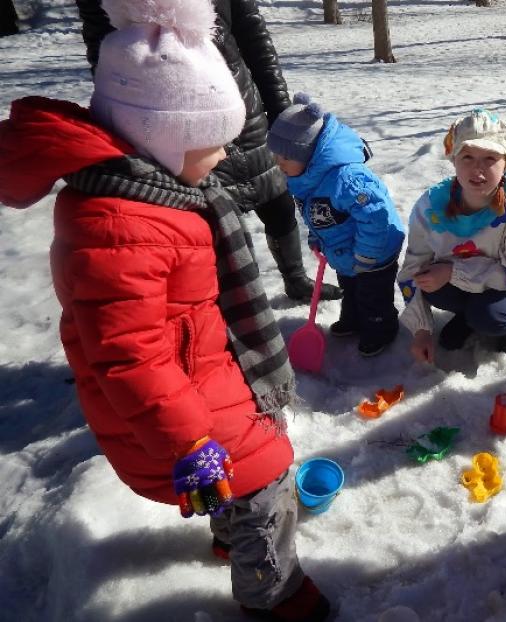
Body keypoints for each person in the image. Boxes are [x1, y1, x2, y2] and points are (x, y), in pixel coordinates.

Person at [0, 2, 330, 619]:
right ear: (162, 139)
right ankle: (272, 592)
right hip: (179, 417)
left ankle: (231, 531)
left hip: (203, 381)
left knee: (257, 466)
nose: (223, 158)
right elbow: (129, 356)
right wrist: (192, 444)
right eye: (212, 145)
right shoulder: (122, 230)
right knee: (266, 479)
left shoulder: (158, 197)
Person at [75, 0, 342, 303]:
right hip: (176, 125)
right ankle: (237, 303)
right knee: (219, 227)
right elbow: (104, 48)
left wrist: (281, 111)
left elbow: (253, 37)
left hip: (240, 106)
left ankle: (296, 280)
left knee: (277, 201)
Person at [397, 108, 506, 362]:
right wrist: (421, 329)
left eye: (490, 159)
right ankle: (468, 317)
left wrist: (453, 272)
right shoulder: (431, 206)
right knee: (430, 285)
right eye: (468, 157)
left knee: (491, 316)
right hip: (470, 280)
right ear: (454, 159)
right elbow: (413, 268)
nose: (478, 170)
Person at [267, 94, 405, 357]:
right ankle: (353, 319)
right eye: (276, 154)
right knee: (350, 287)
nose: (278, 162)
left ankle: (381, 328)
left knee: (372, 296)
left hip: (375, 252)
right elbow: (319, 213)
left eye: (285, 156)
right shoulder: (308, 178)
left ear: (307, 153)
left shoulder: (348, 178)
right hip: (345, 252)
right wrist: (317, 239)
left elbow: (376, 217)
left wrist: (366, 254)